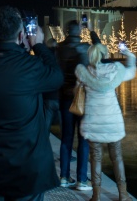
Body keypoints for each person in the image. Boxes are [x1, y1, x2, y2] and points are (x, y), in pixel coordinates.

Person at [0, 6, 64, 201]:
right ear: (22, 34)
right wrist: (38, 45)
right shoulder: (29, 67)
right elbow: (56, 77)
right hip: (27, 170)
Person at [76, 41, 137, 201]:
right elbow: (131, 72)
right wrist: (129, 54)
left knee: (95, 158)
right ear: (105, 54)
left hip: (93, 122)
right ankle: (123, 195)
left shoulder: (85, 72)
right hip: (112, 123)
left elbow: (77, 89)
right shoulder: (115, 71)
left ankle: (96, 196)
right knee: (117, 157)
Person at [56, 20, 91, 190]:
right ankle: (82, 179)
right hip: (81, 97)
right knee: (83, 138)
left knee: (66, 138)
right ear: (79, 31)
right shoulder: (85, 48)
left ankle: (63, 176)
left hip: (64, 96)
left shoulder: (59, 48)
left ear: (66, 31)